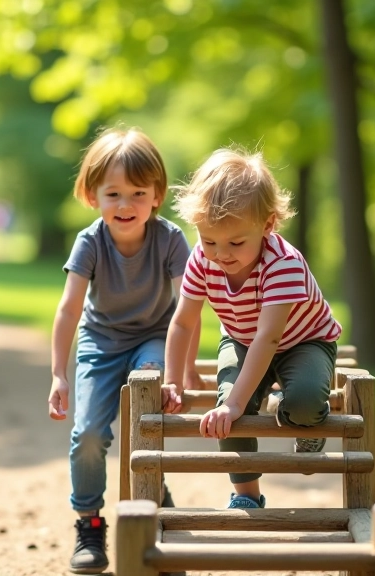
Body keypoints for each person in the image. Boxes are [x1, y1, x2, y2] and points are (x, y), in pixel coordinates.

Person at [48, 126, 201, 574]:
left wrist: (180, 371)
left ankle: (153, 496)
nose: (125, 204)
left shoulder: (171, 239)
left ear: (157, 195)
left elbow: (188, 312)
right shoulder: (90, 242)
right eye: (113, 193)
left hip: (155, 336)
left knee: (145, 400)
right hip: (101, 341)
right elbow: (68, 310)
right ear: (92, 195)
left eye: (137, 192)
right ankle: (90, 524)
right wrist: (59, 373)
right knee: (89, 434)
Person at [162, 147, 342, 511]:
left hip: (303, 342)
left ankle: (304, 425)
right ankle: (246, 492)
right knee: (227, 412)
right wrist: (174, 378)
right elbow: (183, 320)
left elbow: (270, 337)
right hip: (242, 338)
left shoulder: (283, 264)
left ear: (268, 224)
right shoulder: (202, 258)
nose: (221, 254)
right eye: (209, 240)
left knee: (302, 404)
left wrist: (236, 402)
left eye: (235, 243)